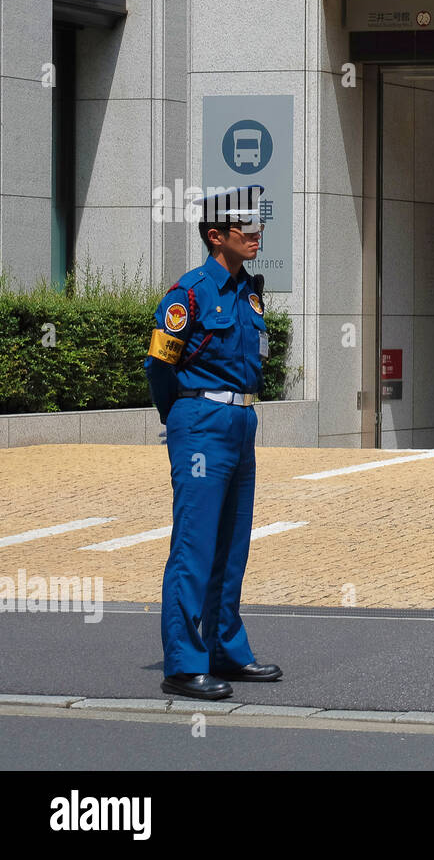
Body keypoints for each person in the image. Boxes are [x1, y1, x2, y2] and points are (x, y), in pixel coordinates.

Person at [144, 185, 282, 700]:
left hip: (241, 422)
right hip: (201, 420)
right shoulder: (190, 294)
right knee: (195, 544)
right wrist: (180, 416)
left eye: (256, 225)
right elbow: (160, 366)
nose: (255, 234)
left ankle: (225, 648)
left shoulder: (249, 291)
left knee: (232, 545)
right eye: (244, 228)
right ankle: (183, 663)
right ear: (215, 235)